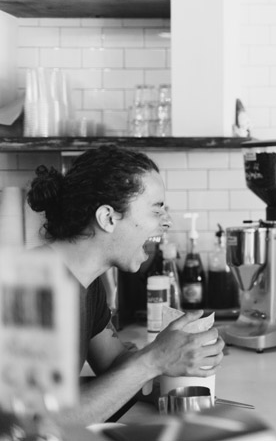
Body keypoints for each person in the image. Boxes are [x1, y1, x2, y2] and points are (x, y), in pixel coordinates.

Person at [26, 145, 225, 425]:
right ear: (108, 218)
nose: (167, 222)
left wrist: (178, 361)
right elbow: (37, 422)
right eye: (157, 210)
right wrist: (153, 360)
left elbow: (114, 365)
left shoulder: (86, 284)